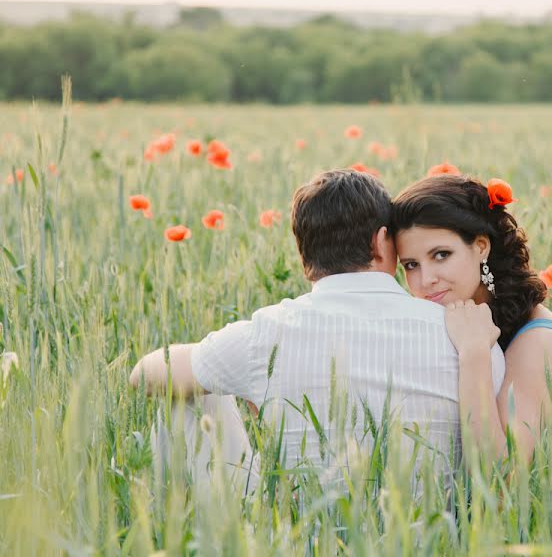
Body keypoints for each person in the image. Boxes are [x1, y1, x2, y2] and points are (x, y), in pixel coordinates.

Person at [129, 169, 505, 493]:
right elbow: (494, 476)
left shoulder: (266, 334)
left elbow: (143, 374)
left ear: (304, 255)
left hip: (301, 538)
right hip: (431, 539)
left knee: (185, 390)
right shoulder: (469, 338)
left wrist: (242, 380)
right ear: (380, 242)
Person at [391, 174, 552, 461]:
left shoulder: (539, 342)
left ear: (481, 246)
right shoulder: (460, 322)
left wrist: (474, 355)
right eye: (411, 265)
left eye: (441, 255)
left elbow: (500, 481)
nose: (426, 279)